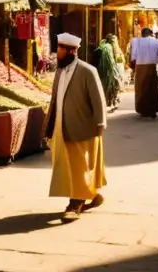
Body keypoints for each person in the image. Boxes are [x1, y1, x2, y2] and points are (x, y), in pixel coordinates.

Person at [44, 33, 107, 222]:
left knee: (79, 167)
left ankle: (75, 205)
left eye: (62, 49)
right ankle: (93, 195)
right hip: (61, 127)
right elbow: (55, 98)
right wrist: (48, 125)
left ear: (72, 50)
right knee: (66, 166)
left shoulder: (87, 71)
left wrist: (100, 122)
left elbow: (98, 100)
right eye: (58, 48)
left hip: (83, 127)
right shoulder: (59, 71)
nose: (58, 52)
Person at [131, 27, 158, 118]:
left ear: (142, 34)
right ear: (151, 34)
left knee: (140, 89)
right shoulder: (157, 42)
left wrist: (134, 69)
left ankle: (142, 109)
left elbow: (133, 58)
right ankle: (153, 109)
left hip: (140, 68)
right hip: (151, 67)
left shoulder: (136, 41)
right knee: (152, 88)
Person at [94, 34, 123, 111]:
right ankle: (111, 103)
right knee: (111, 86)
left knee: (103, 87)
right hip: (107, 71)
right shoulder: (109, 47)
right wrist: (117, 73)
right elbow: (111, 62)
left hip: (99, 70)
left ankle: (106, 103)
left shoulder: (102, 45)